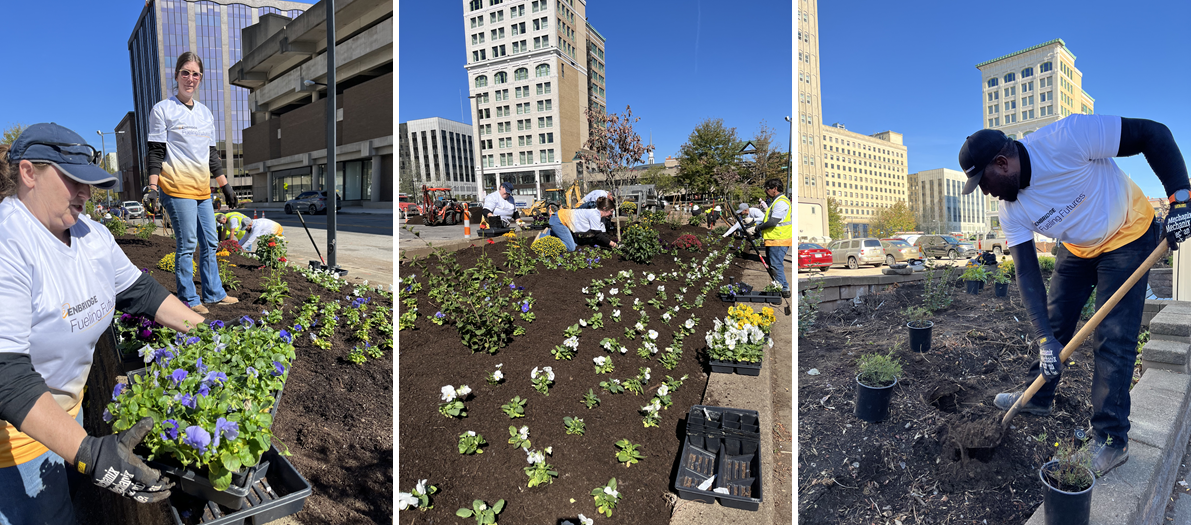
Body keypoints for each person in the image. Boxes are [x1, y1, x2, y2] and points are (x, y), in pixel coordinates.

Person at [958, 115, 1191, 476]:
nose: (986, 193)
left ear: (1002, 164)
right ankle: (1037, 397)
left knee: (1113, 337)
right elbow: (1026, 271)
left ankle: (1112, 441)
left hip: (1128, 232)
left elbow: (1153, 134)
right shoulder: (1010, 209)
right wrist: (1043, 340)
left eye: (983, 182)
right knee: (1053, 323)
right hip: (1080, 247)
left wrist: (1181, 200)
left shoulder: (1066, 138)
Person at [0, 124, 210, 522]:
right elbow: (5, 373)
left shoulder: (90, 234)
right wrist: (90, 454)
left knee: (69, 506)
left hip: (65, 412)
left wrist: (209, 334)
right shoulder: (8, 242)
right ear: (28, 173)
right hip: (12, 439)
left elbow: (141, 292)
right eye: (72, 180)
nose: (85, 194)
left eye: (90, 183)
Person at [146, 51, 238, 315]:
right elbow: (155, 151)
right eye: (185, 72)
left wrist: (225, 186)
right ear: (176, 76)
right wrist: (152, 188)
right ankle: (188, 297)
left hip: (201, 190)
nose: (190, 78)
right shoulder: (163, 109)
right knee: (187, 243)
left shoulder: (205, 115)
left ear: (200, 78)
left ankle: (213, 293)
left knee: (210, 242)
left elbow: (211, 156)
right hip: (175, 187)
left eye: (195, 74)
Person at [746, 179, 791, 297]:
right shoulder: (775, 202)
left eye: (767, 189)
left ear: (775, 188)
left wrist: (757, 229)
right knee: (773, 264)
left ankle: (784, 288)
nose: (766, 192)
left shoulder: (781, 202)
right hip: (773, 239)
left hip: (779, 239)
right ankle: (778, 286)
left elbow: (773, 222)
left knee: (776, 264)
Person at [537, 196, 619, 251]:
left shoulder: (601, 218)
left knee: (575, 244)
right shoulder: (595, 215)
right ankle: (542, 238)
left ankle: (550, 233)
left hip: (562, 221)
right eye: (611, 211)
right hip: (559, 220)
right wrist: (613, 244)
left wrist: (611, 243)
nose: (612, 214)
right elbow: (598, 235)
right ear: (604, 208)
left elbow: (603, 235)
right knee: (571, 247)